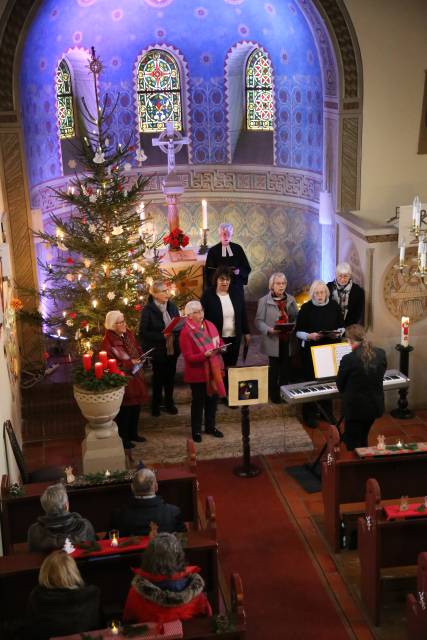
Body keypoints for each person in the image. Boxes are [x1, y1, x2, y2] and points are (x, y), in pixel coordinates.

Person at [123, 532, 212, 624]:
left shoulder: (136, 592)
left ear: (148, 558)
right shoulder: (195, 590)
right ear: (179, 557)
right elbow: (207, 618)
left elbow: (128, 622)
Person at [296, 280, 344, 428]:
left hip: (329, 350)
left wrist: (338, 333)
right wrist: (310, 336)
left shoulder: (334, 307)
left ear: (327, 293)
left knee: (328, 382)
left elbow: (342, 327)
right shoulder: (306, 308)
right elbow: (298, 332)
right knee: (310, 382)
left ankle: (327, 413)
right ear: (312, 294)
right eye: (316, 293)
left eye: (322, 292)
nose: (320, 295)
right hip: (311, 351)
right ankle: (309, 415)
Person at [25, 550, 102, 640]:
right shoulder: (92, 594)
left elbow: (31, 631)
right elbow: (99, 627)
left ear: (45, 572)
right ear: (74, 571)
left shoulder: (36, 597)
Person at [179, 300, 225, 442]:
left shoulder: (210, 325)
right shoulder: (185, 333)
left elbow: (219, 342)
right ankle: (196, 431)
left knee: (212, 400)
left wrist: (222, 347)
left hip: (213, 370)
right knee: (198, 402)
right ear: (189, 316)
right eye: (196, 312)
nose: (200, 314)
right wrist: (204, 355)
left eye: (201, 310)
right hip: (197, 373)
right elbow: (188, 357)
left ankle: (210, 427)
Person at [201, 266, 250, 396]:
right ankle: (218, 393)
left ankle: (230, 395)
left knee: (231, 367)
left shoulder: (236, 293)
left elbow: (243, 314)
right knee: (217, 367)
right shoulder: (208, 295)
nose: (225, 282)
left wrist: (247, 332)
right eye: (222, 279)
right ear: (216, 280)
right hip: (216, 339)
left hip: (234, 337)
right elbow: (203, 318)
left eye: (227, 280)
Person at [102, 310, 148, 450]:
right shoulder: (108, 340)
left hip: (136, 375)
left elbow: (136, 347)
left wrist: (141, 356)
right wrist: (130, 363)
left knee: (136, 407)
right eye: (120, 322)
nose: (124, 324)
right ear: (112, 324)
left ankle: (134, 434)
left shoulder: (128, 333)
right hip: (124, 378)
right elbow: (110, 363)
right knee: (126, 410)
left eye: (124, 321)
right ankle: (124, 438)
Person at [337, 324, 387, 450]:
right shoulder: (381, 353)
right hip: (374, 406)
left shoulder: (349, 359)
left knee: (352, 442)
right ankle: (365, 461)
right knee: (363, 436)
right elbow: (380, 373)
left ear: (350, 341)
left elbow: (340, 386)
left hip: (355, 409)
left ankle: (356, 467)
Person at [255, 272, 298, 403]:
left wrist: (293, 326)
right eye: (278, 284)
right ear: (272, 285)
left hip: (287, 339)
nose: (281, 286)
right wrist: (269, 330)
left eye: (283, 283)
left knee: (286, 368)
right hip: (273, 339)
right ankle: (273, 395)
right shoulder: (264, 300)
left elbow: (296, 317)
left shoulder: (291, 299)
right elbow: (258, 321)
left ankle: (284, 394)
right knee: (274, 369)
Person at [139, 280, 180, 417]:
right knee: (158, 378)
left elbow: (178, 324)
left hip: (172, 348)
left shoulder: (172, 307)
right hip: (158, 350)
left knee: (170, 377)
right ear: (155, 294)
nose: (167, 293)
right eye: (163, 291)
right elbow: (143, 332)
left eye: (167, 290)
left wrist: (179, 327)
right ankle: (155, 404)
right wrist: (162, 336)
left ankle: (169, 402)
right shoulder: (148, 310)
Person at [111, 468, 187, 536]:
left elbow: (109, 543)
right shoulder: (173, 512)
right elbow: (184, 539)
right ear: (156, 487)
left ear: (132, 488)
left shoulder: (119, 515)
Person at [27, 483, 96, 552]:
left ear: (44, 507)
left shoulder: (34, 531)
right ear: (66, 506)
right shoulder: (85, 525)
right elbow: (94, 550)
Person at [204, 222, 251, 290]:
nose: (226, 236)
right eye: (224, 234)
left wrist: (239, 271)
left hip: (235, 284)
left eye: (229, 234)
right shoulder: (213, 251)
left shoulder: (238, 249)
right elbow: (208, 272)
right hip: (219, 285)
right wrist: (219, 273)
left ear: (231, 234)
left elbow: (246, 268)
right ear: (220, 235)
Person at [327, 262, 365, 327]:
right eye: (340, 276)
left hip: (349, 327)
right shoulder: (328, 287)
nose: (342, 279)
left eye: (345, 276)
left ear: (349, 276)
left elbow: (358, 313)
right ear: (336, 275)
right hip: (330, 326)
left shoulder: (358, 291)